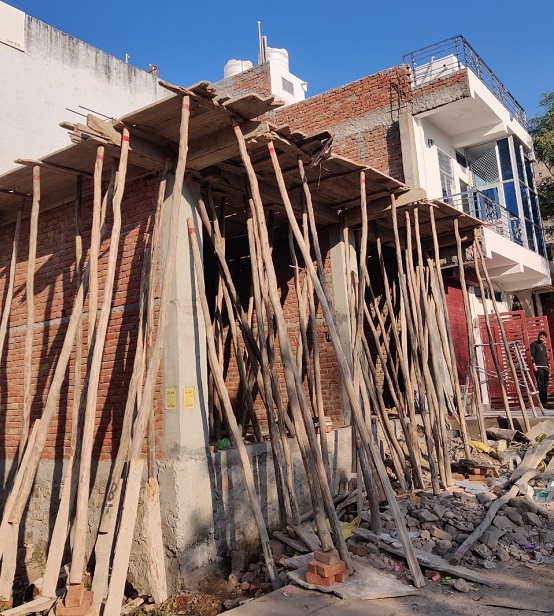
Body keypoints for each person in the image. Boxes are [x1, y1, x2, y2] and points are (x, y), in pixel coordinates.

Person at [530, 330, 551, 408]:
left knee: (545, 385)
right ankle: (543, 403)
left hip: (545, 367)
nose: (542, 339)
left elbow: (545, 357)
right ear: (538, 336)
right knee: (541, 385)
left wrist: (548, 367)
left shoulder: (543, 346)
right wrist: (534, 365)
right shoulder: (533, 344)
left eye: (544, 338)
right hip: (538, 367)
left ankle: (545, 401)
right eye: (541, 337)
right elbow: (532, 356)